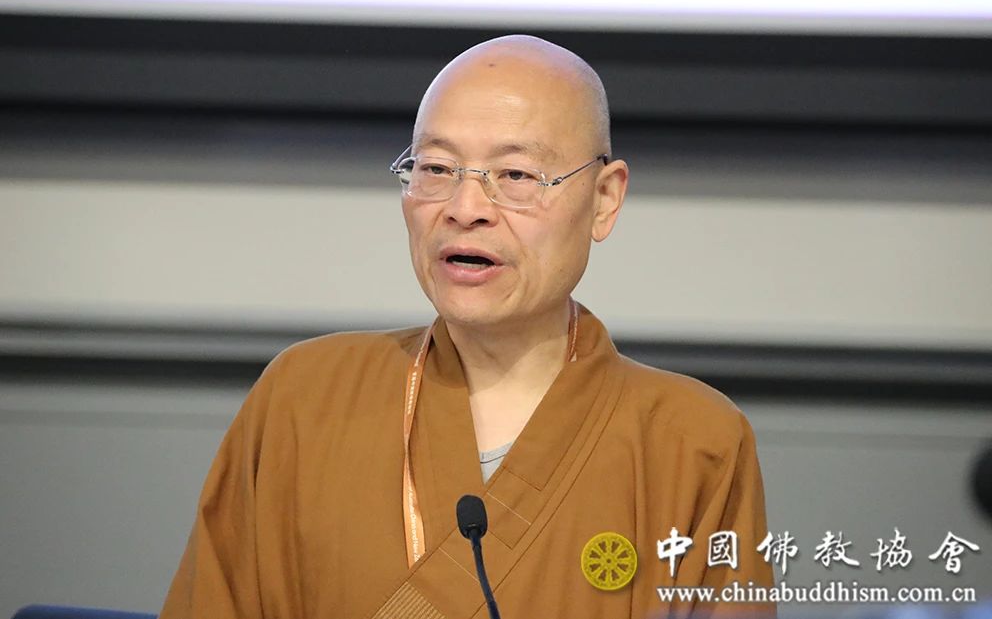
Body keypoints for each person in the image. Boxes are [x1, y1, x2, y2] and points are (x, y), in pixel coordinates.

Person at [159, 35, 775, 618]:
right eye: (435, 169)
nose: (465, 208)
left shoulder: (691, 441)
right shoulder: (306, 398)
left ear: (604, 200)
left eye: (515, 176)